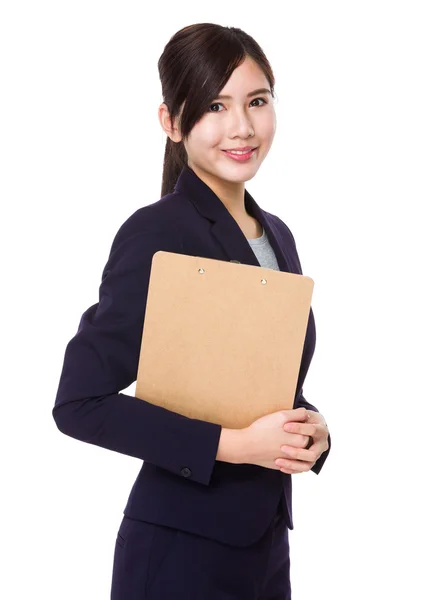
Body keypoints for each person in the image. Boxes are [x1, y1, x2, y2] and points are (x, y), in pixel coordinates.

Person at [52, 22, 331, 600]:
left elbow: (251, 383)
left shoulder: (276, 234)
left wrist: (311, 430)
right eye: (214, 105)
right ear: (172, 123)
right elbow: (79, 403)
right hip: (179, 555)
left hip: (264, 551)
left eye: (257, 101)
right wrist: (229, 446)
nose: (243, 127)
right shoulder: (157, 232)